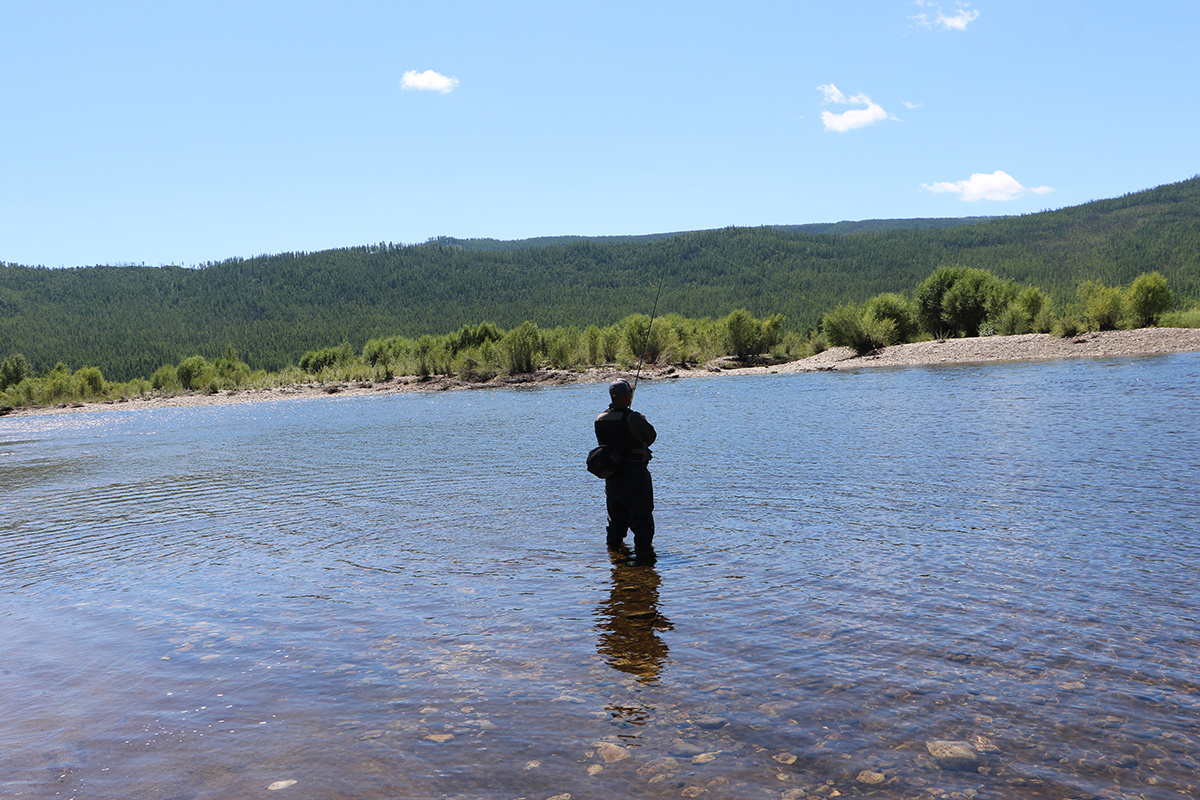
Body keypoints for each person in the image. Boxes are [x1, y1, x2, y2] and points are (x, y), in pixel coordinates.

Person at [594, 379, 657, 557]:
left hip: (612, 476)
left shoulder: (600, 419)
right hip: (636, 475)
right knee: (642, 520)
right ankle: (644, 561)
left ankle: (615, 560)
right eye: (630, 393)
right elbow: (651, 436)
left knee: (616, 520)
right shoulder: (634, 418)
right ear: (627, 396)